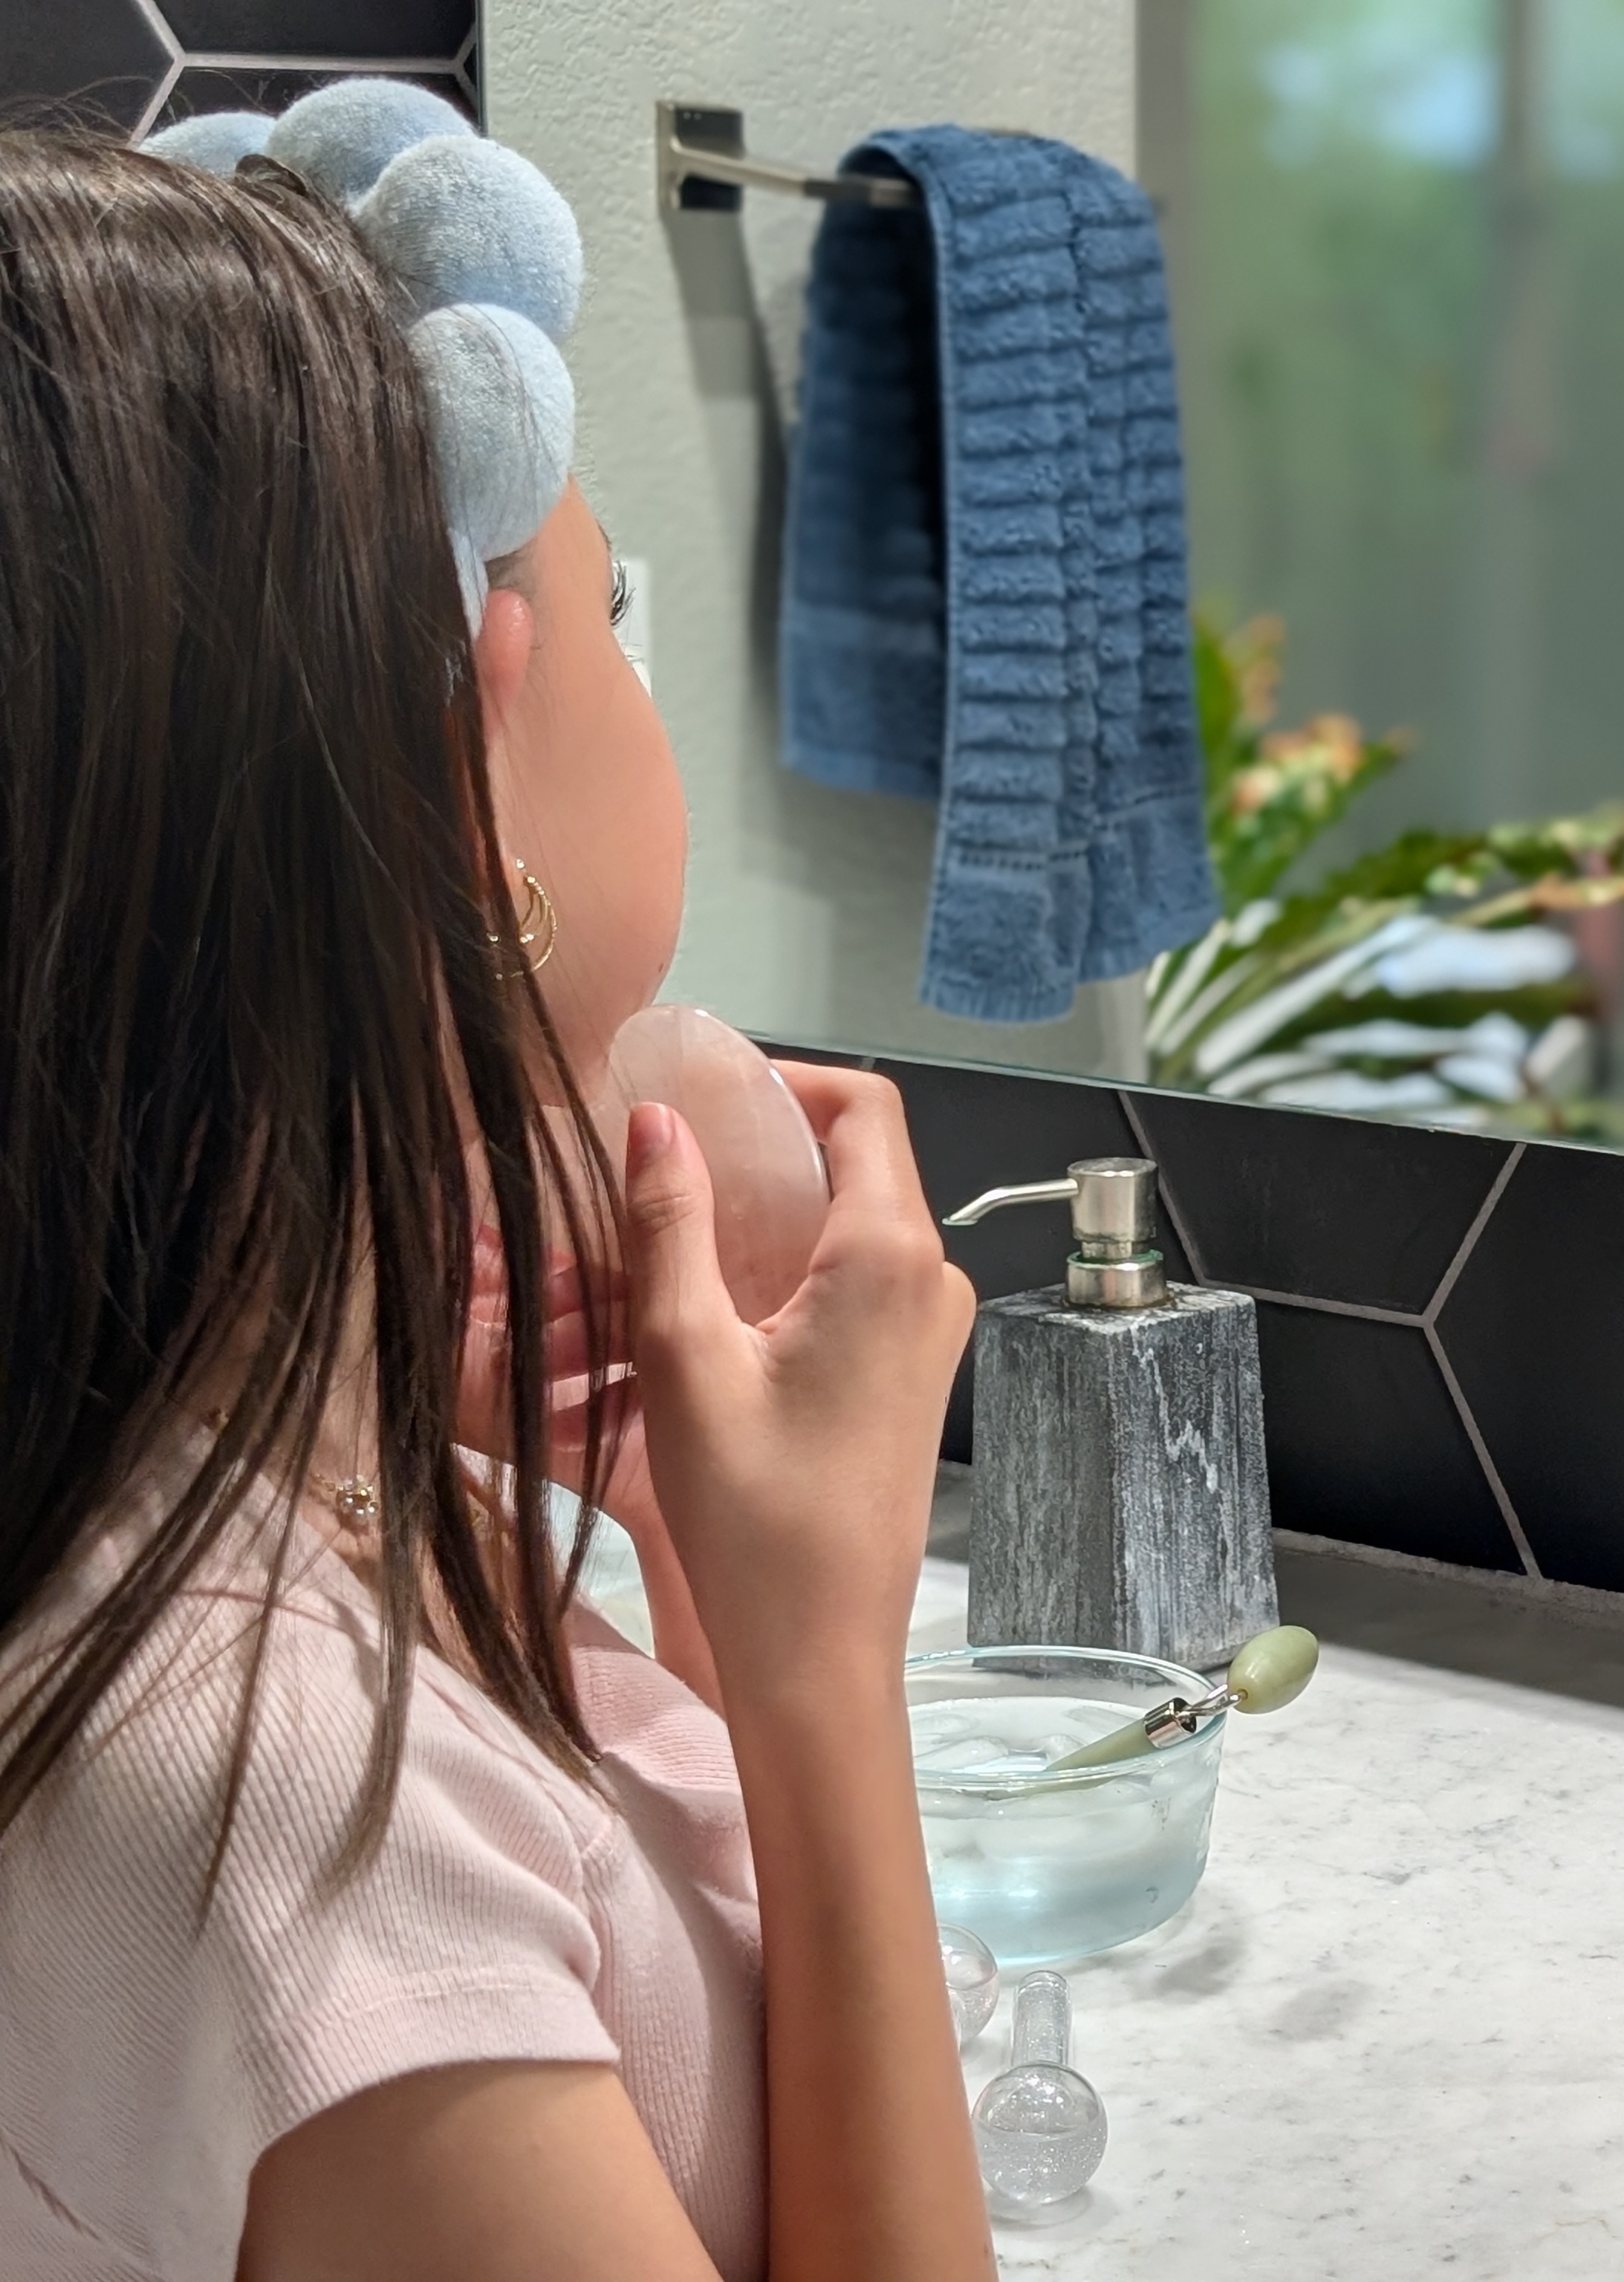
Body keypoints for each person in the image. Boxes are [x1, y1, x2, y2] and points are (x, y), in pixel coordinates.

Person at [0, 93, 993, 2281]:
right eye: (609, 598)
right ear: (471, 765)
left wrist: (707, 1580)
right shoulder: (273, 1809)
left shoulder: (213, 1512)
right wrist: (826, 1666)